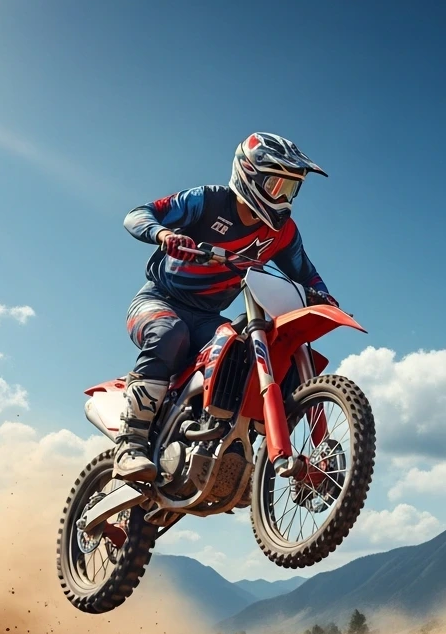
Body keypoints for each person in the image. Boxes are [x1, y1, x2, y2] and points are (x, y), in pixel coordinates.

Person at [114, 132, 336, 481]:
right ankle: (130, 444)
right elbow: (138, 214)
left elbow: (306, 272)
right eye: (277, 185)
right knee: (170, 333)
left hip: (208, 319)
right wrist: (164, 235)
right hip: (158, 301)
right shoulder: (208, 201)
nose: (284, 198)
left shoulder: (282, 233)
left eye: (291, 189)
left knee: (244, 355)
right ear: (249, 175)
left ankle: (237, 454)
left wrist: (325, 297)